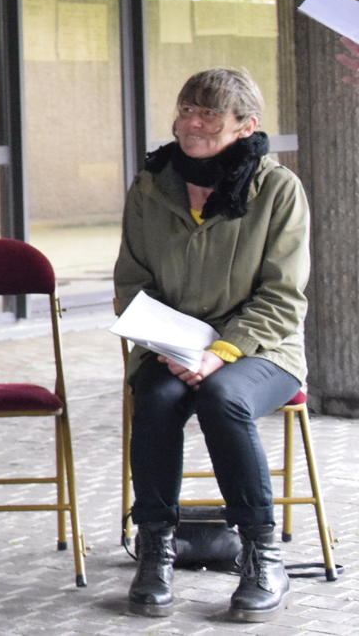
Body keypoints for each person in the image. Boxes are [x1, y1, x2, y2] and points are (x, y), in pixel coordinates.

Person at [114, 68, 308, 622]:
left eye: (208, 115)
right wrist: (169, 345)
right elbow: (131, 281)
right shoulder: (151, 184)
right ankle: (155, 549)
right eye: (185, 111)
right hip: (168, 346)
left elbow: (283, 295)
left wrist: (220, 351)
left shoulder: (277, 189)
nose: (191, 124)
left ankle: (263, 555)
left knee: (223, 397)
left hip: (263, 350)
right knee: (153, 399)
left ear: (247, 126)